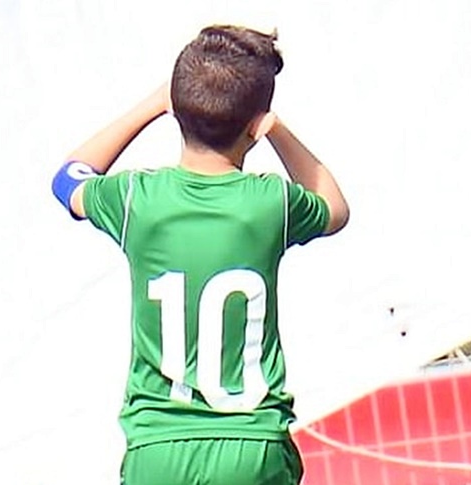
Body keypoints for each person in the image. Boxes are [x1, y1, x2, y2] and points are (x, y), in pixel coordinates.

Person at [51, 25, 349, 485]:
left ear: (177, 106)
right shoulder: (271, 203)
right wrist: (276, 128)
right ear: (255, 124)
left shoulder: (135, 200)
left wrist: (153, 104)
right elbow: (333, 207)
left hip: (158, 448)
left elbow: (68, 178)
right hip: (252, 446)